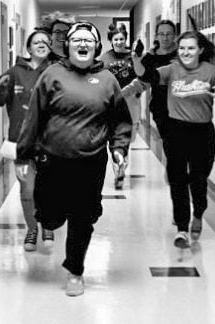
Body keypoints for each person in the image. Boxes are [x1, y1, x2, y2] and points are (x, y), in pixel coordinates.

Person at [16, 22, 132, 297]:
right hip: (52, 160)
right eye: (77, 40)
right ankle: (50, 219)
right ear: (67, 46)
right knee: (51, 216)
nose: (83, 44)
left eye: (88, 41)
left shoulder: (107, 80)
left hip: (89, 162)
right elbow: (34, 117)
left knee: (82, 217)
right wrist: (24, 155)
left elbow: (119, 121)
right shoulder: (52, 75)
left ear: (96, 47)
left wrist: (119, 149)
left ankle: (75, 271)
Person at [140, 30, 215, 248]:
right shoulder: (171, 70)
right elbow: (148, 77)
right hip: (176, 132)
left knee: (198, 180)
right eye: (182, 48)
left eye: (191, 48)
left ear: (200, 50)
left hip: (202, 134)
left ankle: (199, 213)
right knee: (177, 181)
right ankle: (182, 229)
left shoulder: (211, 71)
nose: (185, 52)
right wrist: (141, 59)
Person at [0, 27, 56, 252]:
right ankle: (32, 228)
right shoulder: (15, 73)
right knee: (27, 190)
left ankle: (49, 226)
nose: (41, 44)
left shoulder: (56, 72)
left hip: (51, 142)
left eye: (45, 41)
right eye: (36, 42)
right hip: (21, 143)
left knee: (51, 187)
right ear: (29, 48)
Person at [125, 20, 179, 157]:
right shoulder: (151, 56)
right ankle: (178, 175)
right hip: (161, 109)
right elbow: (142, 76)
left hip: (184, 107)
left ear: (175, 35)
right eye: (161, 34)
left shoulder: (182, 54)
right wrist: (136, 60)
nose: (165, 37)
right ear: (156, 36)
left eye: (168, 34)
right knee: (171, 145)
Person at [99, 26, 142, 189]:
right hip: (111, 103)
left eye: (121, 39)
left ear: (126, 39)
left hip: (130, 103)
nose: (118, 42)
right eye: (115, 39)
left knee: (127, 138)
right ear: (111, 41)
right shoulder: (104, 59)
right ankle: (119, 170)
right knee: (114, 137)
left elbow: (142, 76)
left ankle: (120, 165)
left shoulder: (133, 57)